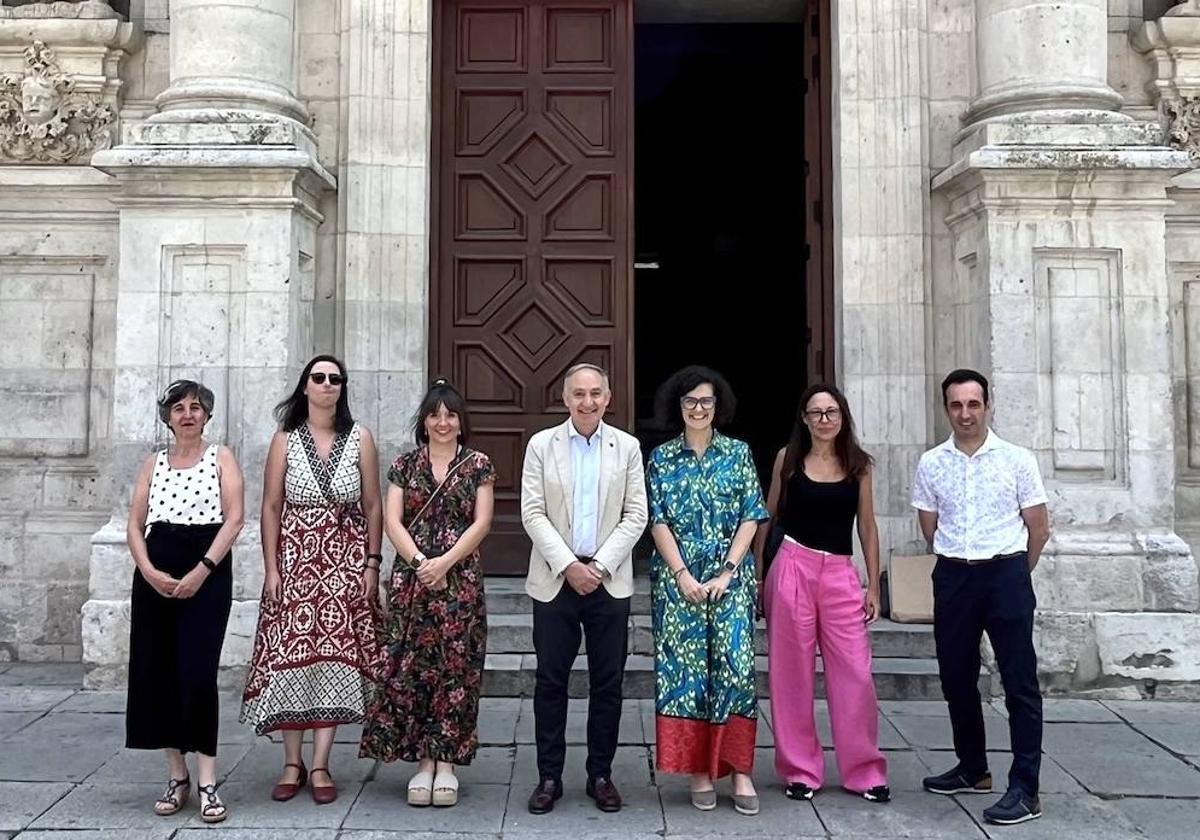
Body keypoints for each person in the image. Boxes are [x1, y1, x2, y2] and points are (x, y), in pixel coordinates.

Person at [240, 355, 386, 805]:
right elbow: (269, 506)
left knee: (334, 661)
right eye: (318, 378)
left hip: (344, 562)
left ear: (342, 388)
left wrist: (372, 565)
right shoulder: (284, 440)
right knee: (290, 659)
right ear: (305, 386)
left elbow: (374, 505)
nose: (327, 385)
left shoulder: (360, 438)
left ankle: (320, 763)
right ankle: (291, 761)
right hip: (296, 563)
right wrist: (271, 569)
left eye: (335, 379)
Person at [913, 368, 1050, 826]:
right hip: (954, 575)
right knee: (955, 677)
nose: (965, 413)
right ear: (946, 408)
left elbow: (1039, 526)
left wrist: (1014, 573)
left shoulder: (1017, 459)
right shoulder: (932, 462)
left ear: (988, 406)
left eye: (974, 404)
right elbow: (929, 526)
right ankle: (973, 768)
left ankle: (1025, 789)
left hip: (1006, 573)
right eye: (956, 405)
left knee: (1019, 683)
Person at [360, 378, 495, 808]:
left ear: (461, 421)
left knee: (457, 669)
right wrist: (420, 563)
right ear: (424, 421)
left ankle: (448, 763)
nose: (442, 422)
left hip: (460, 580)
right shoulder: (404, 464)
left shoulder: (478, 465)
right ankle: (422, 761)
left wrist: (446, 562)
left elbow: (482, 522)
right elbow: (393, 520)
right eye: (435, 415)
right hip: (412, 581)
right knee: (413, 669)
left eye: (450, 415)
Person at [521, 363, 648, 814]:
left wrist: (598, 566)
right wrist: (570, 565)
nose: (587, 401)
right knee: (550, 683)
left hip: (608, 582)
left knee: (607, 683)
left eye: (595, 393)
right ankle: (549, 776)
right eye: (579, 393)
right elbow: (532, 513)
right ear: (565, 397)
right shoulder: (541, 446)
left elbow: (637, 515)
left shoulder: (628, 448)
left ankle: (601, 774)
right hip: (555, 582)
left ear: (608, 398)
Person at [645, 365, 767, 815]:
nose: (698, 409)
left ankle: (739, 770)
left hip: (730, 578)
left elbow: (751, 514)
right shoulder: (660, 459)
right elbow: (656, 520)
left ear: (719, 407)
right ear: (677, 407)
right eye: (690, 402)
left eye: (706, 402)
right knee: (686, 673)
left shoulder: (738, 454)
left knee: (736, 671)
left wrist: (729, 571)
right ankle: (698, 769)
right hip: (678, 580)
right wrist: (682, 575)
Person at [760, 383, 889, 803]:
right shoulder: (788, 459)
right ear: (804, 419)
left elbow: (867, 527)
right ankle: (800, 770)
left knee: (855, 673)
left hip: (839, 573)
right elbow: (767, 516)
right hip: (792, 566)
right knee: (790, 674)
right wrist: (760, 577)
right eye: (815, 413)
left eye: (831, 412)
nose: (824, 420)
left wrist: (873, 583)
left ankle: (864, 771)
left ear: (843, 416)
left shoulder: (859, 465)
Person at [125, 379, 245, 824]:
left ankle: (207, 779)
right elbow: (135, 525)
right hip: (157, 570)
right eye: (179, 408)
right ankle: (177, 776)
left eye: (196, 407)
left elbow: (234, 519)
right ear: (168, 417)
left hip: (206, 569)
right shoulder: (152, 463)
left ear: (207, 415)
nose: (188, 414)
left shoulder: (221, 457)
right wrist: (149, 571)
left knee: (197, 674)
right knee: (158, 673)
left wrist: (202, 570)